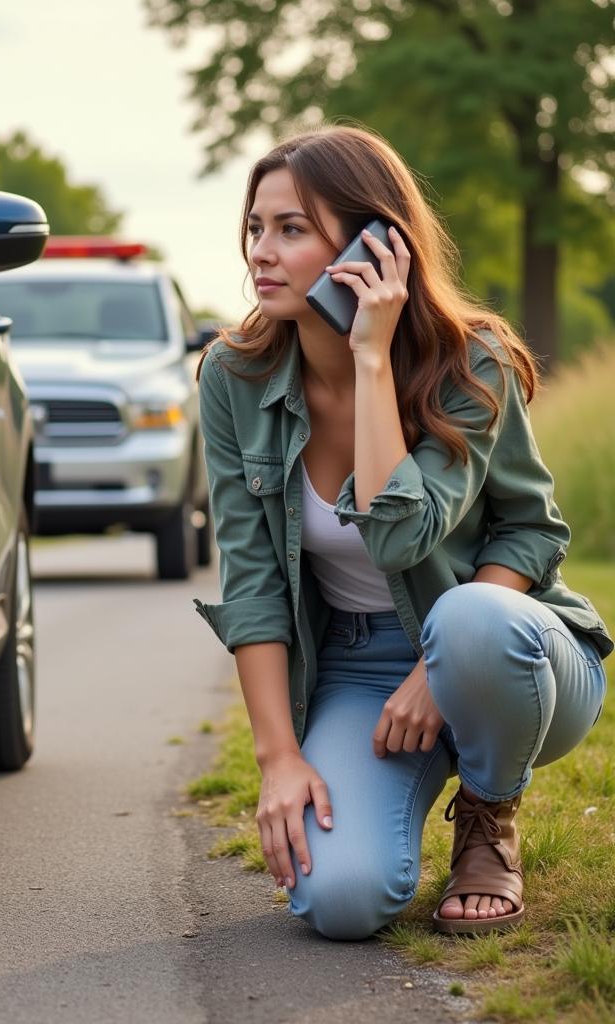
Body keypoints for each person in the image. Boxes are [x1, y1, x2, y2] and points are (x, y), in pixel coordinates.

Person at [192, 124, 612, 941]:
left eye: (292, 229)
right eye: (255, 226)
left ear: (375, 245)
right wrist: (279, 758)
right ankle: (400, 798)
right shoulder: (232, 377)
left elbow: (517, 532)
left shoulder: (471, 361)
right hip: (358, 668)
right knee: (340, 900)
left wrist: (372, 359)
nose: (260, 253)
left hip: (509, 651)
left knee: (467, 623)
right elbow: (253, 584)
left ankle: (489, 819)